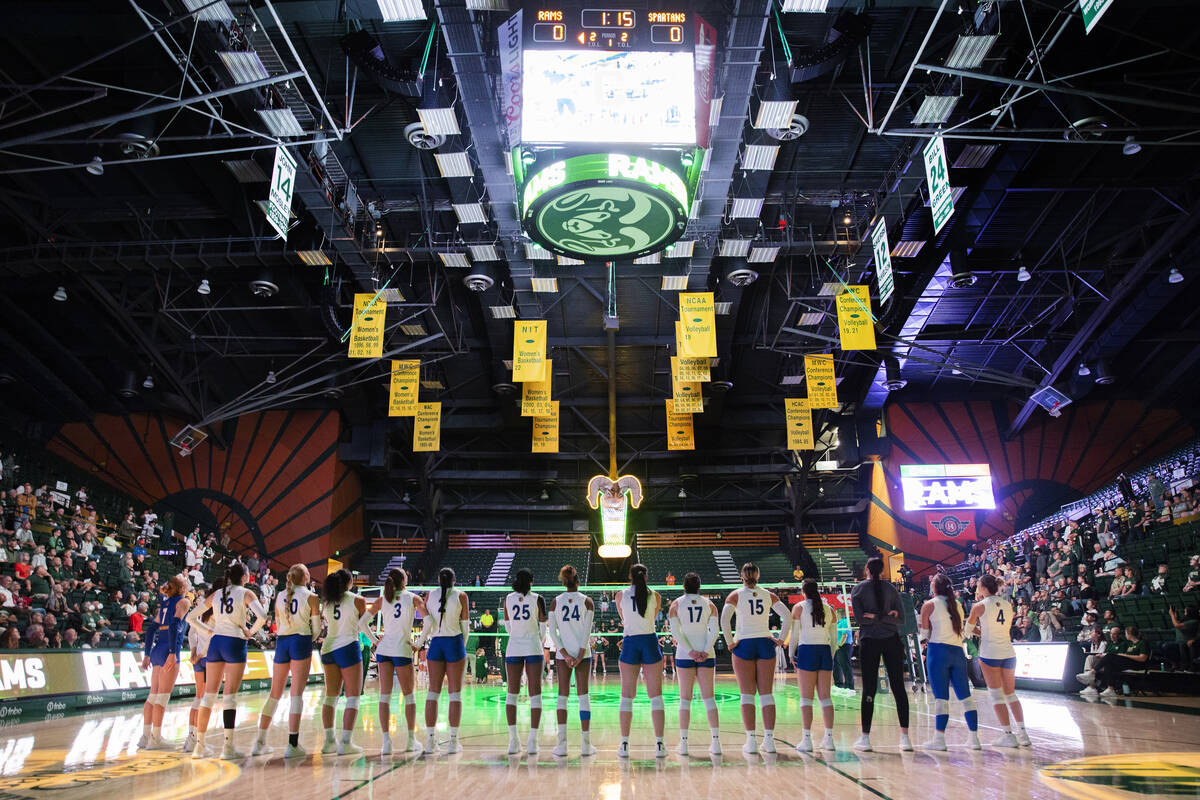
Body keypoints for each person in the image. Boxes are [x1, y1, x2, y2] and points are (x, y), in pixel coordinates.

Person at [190, 563, 267, 759]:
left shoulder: (216, 594)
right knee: (229, 696)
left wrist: (208, 631)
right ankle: (228, 748)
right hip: (235, 642)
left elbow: (191, 617)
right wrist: (251, 631)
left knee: (208, 695)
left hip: (216, 642)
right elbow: (263, 616)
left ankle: (199, 747)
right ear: (244, 576)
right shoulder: (246, 593)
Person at [720, 563, 789, 755]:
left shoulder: (735, 595)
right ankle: (769, 741)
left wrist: (729, 642)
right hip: (765, 643)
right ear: (758, 575)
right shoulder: (768, 595)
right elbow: (788, 616)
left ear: (742, 575)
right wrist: (781, 639)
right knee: (766, 694)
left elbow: (725, 620)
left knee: (747, 695)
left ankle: (750, 742)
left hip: (744, 644)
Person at [253, 564, 320, 758]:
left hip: (282, 642)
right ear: (305, 576)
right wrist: (311, 639)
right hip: (301, 640)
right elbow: (315, 630)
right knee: (296, 694)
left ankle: (259, 742)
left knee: (274, 693)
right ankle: (292, 745)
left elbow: (279, 623)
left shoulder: (281, 595)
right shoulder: (312, 597)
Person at [850, 557, 911, 752]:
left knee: (869, 689)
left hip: (869, 642)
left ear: (866, 569)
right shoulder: (892, 590)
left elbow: (861, 619)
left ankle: (865, 739)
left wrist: (873, 617)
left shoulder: (857, 590)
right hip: (891, 640)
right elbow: (900, 618)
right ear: (883, 570)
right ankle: (905, 738)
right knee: (899, 688)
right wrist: (886, 617)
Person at [966, 574, 1031, 748]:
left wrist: (979, 631)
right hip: (1008, 652)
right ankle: (1023, 734)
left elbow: (967, 631)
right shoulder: (1008, 604)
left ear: (984, 588)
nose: (977, 589)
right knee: (1011, 694)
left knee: (996, 695)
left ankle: (1008, 735)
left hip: (990, 653)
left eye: (979, 586)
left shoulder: (978, 606)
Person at [366, 567, 426, 755]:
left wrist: (376, 640)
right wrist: (419, 643)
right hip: (402, 650)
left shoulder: (382, 598)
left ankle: (386, 743)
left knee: (384, 696)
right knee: (409, 696)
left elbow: (362, 623)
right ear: (404, 581)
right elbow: (430, 621)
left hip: (384, 650)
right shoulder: (413, 598)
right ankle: (410, 740)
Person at [919, 572, 980, 750]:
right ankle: (974, 739)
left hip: (938, 652)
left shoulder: (929, 605)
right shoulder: (958, 606)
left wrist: (921, 637)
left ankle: (939, 740)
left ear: (934, 587)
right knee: (966, 696)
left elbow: (924, 635)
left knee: (941, 698)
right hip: (957, 652)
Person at [318, 568, 372, 755]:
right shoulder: (358, 600)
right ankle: (346, 742)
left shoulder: (327, 601)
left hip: (328, 647)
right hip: (348, 646)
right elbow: (363, 625)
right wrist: (374, 640)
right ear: (350, 582)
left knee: (331, 696)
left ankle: (329, 741)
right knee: (353, 696)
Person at [667, 572, 720, 757]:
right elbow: (715, 630)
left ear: (684, 586)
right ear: (699, 586)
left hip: (684, 654)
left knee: (685, 699)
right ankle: (716, 743)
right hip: (707, 654)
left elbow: (675, 631)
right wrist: (705, 650)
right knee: (709, 698)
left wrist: (690, 651)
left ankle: (684, 744)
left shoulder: (676, 604)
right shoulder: (709, 604)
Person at [417, 567, 469, 754]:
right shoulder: (461, 596)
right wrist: (460, 647)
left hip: (436, 644)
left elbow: (428, 621)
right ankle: (453, 742)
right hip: (454, 642)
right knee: (455, 694)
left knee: (433, 693)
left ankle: (431, 741)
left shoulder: (430, 595)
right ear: (454, 580)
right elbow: (466, 628)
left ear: (438, 579)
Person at [616, 563, 666, 759]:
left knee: (627, 695)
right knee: (656, 696)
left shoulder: (620, 595)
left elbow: (624, 619)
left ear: (630, 576)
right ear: (646, 576)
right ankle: (660, 745)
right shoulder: (656, 596)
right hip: (649, 641)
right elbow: (652, 618)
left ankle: (624, 744)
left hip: (630, 641)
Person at [546, 565, 596, 757]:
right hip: (583, 654)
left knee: (562, 697)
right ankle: (585, 745)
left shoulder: (555, 602)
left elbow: (552, 632)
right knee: (583, 696)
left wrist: (565, 654)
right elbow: (587, 631)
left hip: (563, 656)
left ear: (563, 582)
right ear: (578, 581)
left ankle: (562, 745)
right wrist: (581, 653)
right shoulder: (587, 602)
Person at [137, 575, 191, 750]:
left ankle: (145, 737)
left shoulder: (165, 603)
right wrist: (173, 653)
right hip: (169, 649)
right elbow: (175, 625)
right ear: (182, 587)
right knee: (162, 697)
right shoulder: (183, 602)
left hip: (157, 649)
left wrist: (146, 654)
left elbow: (151, 629)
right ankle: (156, 739)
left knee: (153, 695)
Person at [500, 568, 547, 755]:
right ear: (532, 581)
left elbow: (507, 624)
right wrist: (536, 639)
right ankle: (533, 741)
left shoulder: (508, 598)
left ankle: (513, 741)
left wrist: (517, 636)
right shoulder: (538, 598)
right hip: (533, 646)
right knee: (535, 693)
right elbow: (543, 626)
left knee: (512, 693)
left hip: (514, 647)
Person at [789, 579, 837, 753]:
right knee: (826, 698)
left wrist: (790, 654)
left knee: (806, 699)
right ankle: (829, 739)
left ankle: (807, 740)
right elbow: (834, 639)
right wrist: (830, 656)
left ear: (803, 591)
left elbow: (794, 635)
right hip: (824, 651)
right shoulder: (830, 609)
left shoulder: (799, 608)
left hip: (807, 650)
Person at [183, 600, 213, 754]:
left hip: (198, 659)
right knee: (206, 699)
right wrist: (200, 653)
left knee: (198, 696)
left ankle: (191, 738)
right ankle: (200, 741)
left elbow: (191, 633)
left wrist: (194, 652)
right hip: (208, 657)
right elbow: (211, 637)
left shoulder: (199, 610)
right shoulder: (216, 611)